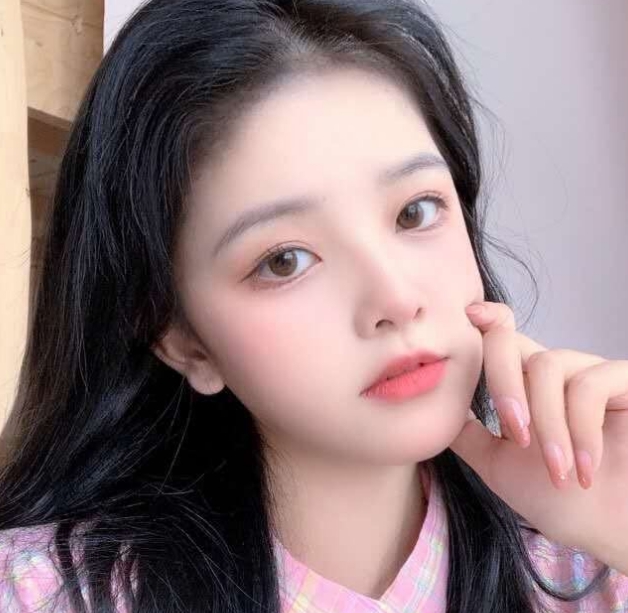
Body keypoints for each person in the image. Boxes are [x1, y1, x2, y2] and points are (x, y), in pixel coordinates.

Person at [0, 0, 627, 611]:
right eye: (284, 261)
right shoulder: (41, 593)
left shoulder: (592, 569)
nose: (396, 298)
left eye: (415, 212)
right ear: (183, 341)